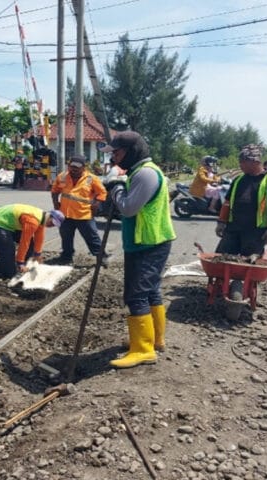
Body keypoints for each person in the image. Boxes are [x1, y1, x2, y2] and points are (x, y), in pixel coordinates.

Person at [101, 131, 176, 368]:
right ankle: (155, 340)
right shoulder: (141, 172)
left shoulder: (145, 174)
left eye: (117, 152)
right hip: (148, 241)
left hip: (148, 243)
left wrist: (115, 185)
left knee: (136, 295)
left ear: (132, 151)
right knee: (151, 291)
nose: (114, 158)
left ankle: (143, 350)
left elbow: (128, 208)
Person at [215, 144, 267, 297]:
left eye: (242, 162)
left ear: (254, 162)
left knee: (250, 263)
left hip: (256, 232)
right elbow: (227, 203)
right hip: (233, 229)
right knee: (220, 259)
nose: (240, 165)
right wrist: (221, 221)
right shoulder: (238, 180)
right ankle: (221, 287)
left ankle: (245, 290)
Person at [50, 155, 109, 266]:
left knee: (92, 237)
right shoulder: (62, 176)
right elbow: (54, 190)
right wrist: (55, 203)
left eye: (77, 167)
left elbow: (102, 192)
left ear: (84, 167)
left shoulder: (91, 179)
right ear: (69, 165)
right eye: (72, 166)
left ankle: (101, 257)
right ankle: (66, 257)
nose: (74, 169)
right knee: (66, 237)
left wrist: (96, 203)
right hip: (65, 214)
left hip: (83, 214)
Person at [0, 205, 65, 278]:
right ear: (50, 216)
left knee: (31, 244)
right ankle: (9, 274)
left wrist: (37, 254)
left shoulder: (42, 218)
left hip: (11, 222)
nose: (51, 225)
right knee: (8, 249)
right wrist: (20, 262)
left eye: (54, 225)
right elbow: (24, 242)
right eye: (52, 222)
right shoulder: (32, 221)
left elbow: (39, 237)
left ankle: (24, 264)